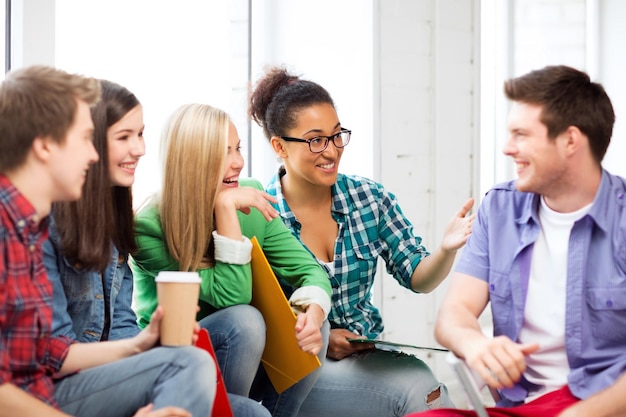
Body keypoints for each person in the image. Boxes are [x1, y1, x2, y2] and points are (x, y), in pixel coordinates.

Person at [248, 66, 475, 417]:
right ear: (279, 146)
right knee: (415, 387)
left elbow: (418, 277)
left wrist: (446, 250)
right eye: (315, 140)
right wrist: (322, 339)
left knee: (425, 385)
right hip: (298, 372)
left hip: (364, 358)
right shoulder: (261, 213)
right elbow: (256, 322)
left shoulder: (368, 198)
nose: (332, 150)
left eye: (338, 135)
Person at [405, 65, 626, 417]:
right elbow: (453, 314)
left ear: (570, 140)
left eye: (521, 134)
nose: (508, 148)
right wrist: (475, 344)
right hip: (520, 405)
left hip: (600, 405)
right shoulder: (500, 208)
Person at [0, 65, 216, 417]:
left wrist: (138, 346)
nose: (93, 154)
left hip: (55, 391)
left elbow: (48, 351)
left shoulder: (27, 228)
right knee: (187, 364)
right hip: (53, 396)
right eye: (86, 138)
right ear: (44, 146)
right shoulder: (10, 229)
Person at [130, 103, 332, 417]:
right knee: (244, 320)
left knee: (312, 322)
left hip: (249, 354)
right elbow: (232, 297)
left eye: (238, 149)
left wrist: (315, 314)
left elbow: (309, 271)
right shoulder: (149, 227)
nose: (238, 162)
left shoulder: (248, 195)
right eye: (223, 152)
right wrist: (225, 211)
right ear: (191, 161)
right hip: (179, 358)